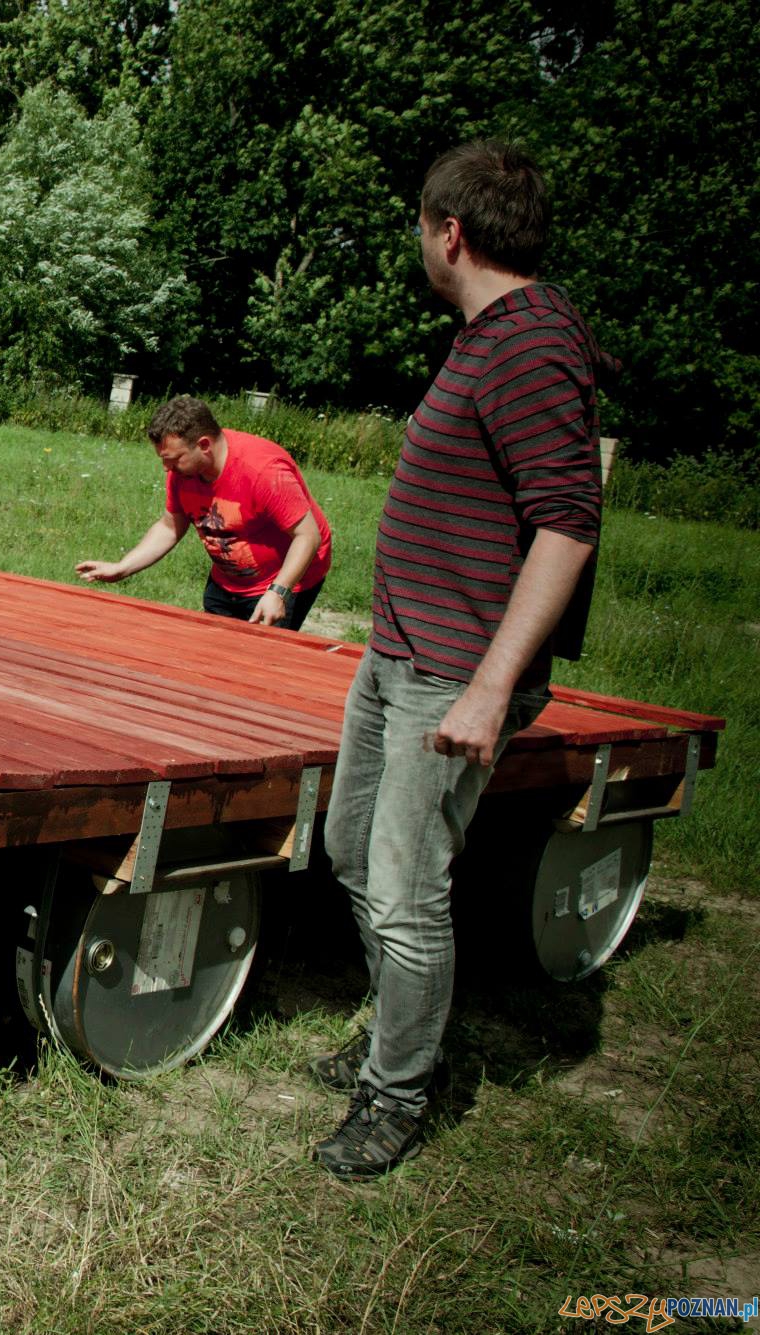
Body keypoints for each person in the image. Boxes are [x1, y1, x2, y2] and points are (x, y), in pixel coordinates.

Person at [311, 140, 609, 1178]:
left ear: (450, 232)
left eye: (417, 226)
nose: (416, 243)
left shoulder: (528, 346)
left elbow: (565, 525)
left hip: (449, 676)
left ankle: (395, 1095)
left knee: (404, 888)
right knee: (349, 851)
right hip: (395, 656)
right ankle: (397, 1029)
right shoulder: (487, 337)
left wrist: (488, 691)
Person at [75, 396, 332, 630]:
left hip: (283, 578)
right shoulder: (183, 472)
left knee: (260, 666)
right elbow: (169, 526)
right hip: (227, 579)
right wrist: (121, 568)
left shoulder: (263, 471)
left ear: (204, 445)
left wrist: (279, 592)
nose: (166, 468)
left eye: (174, 459)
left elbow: (307, 536)